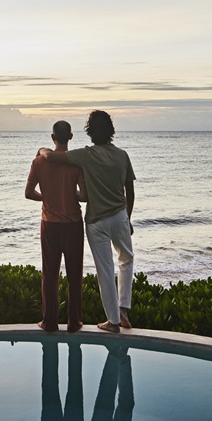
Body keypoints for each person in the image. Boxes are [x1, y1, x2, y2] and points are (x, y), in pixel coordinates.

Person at [39, 110, 135, 333]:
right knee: (126, 260)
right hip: (120, 215)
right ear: (111, 131)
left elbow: (51, 157)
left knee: (105, 269)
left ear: (89, 133)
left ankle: (113, 322)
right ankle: (123, 310)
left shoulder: (85, 155)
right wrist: (128, 218)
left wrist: (41, 150)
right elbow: (130, 190)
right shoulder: (122, 156)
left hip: (96, 221)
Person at [26, 120, 86, 333]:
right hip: (73, 225)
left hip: (49, 224)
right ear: (70, 137)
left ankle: (49, 322)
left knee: (49, 275)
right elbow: (85, 195)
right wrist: (72, 196)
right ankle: (74, 322)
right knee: (74, 275)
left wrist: (47, 198)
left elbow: (28, 193)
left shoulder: (38, 162)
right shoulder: (76, 163)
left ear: (53, 138)